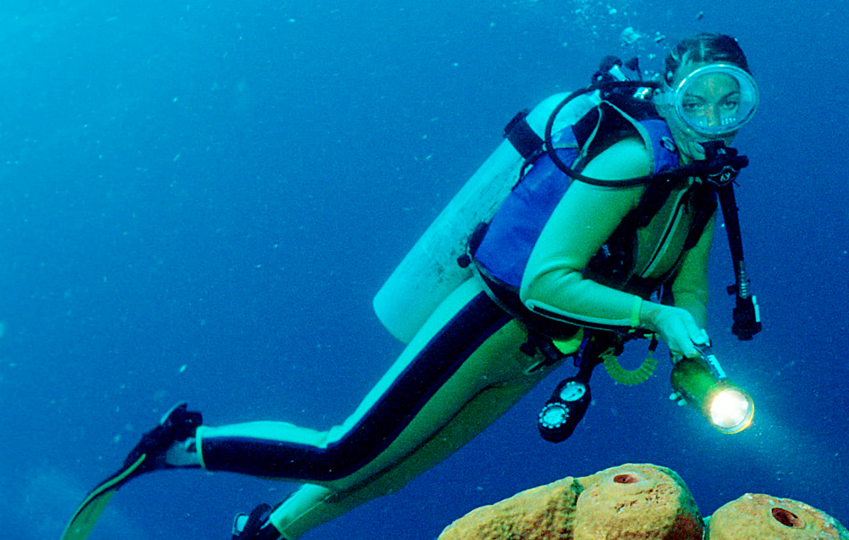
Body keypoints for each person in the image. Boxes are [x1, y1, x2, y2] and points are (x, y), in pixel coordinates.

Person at [63, 33, 761, 540]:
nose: (715, 114)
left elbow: (690, 291)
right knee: (344, 452)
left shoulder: (702, 188)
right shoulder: (635, 154)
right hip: (492, 320)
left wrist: (692, 351)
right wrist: (650, 316)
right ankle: (179, 445)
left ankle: (266, 532)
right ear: (672, 92)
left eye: (733, 101)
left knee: (391, 472)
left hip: (537, 357)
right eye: (701, 96)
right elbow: (548, 279)